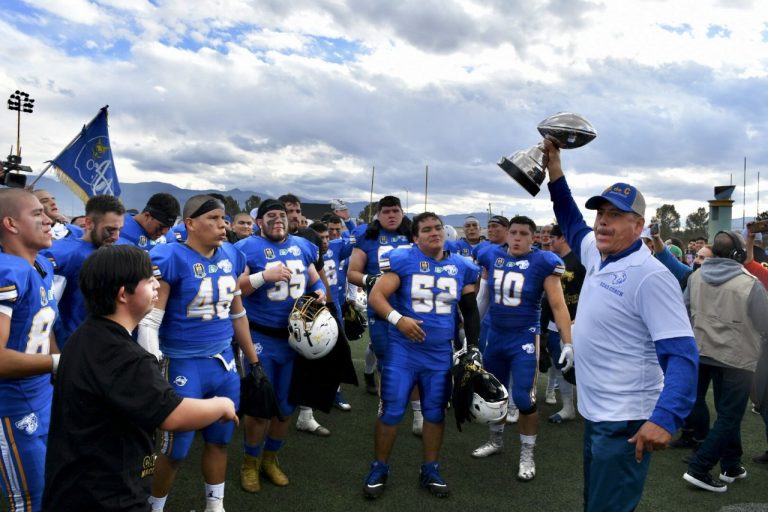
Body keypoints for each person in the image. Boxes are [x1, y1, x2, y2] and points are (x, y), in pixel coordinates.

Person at [543, 137, 698, 512]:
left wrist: (665, 417)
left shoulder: (650, 275)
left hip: (626, 420)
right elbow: (570, 218)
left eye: (615, 215)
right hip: (597, 412)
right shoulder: (598, 254)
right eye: (601, 214)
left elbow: (683, 355)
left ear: (638, 225)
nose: (603, 222)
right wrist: (555, 170)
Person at [41, 245, 238, 511]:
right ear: (124, 294)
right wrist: (222, 405)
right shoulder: (125, 356)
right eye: (148, 280)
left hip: (77, 484)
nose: (157, 285)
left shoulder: (87, 335)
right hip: (107, 494)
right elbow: (173, 415)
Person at [146, 195, 261, 512]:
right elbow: (151, 319)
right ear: (190, 223)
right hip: (181, 361)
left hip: (223, 363)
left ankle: (215, 506)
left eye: (223, 219)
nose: (222, 225)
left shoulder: (232, 255)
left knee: (220, 439)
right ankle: (154, 506)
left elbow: (237, 313)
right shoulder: (170, 256)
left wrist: (253, 360)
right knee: (175, 450)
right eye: (212, 218)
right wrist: (150, 360)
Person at [363, 212, 481, 499]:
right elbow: (376, 296)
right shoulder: (403, 260)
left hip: (440, 353)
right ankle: (380, 467)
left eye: (437, 227)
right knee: (391, 411)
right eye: (426, 229)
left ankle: (430, 468)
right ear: (415, 238)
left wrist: (473, 345)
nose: (434, 233)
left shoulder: (462, 266)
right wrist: (398, 319)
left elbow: (469, 309)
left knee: (434, 413)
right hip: (403, 352)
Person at [470, 216, 574, 482]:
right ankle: (496, 441)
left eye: (523, 233)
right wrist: (471, 335)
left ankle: (527, 454)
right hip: (496, 335)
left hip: (524, 339)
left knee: (525, 399)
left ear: (534, 237)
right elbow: (484, 298)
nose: (517, 237)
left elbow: (558, 305)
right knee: (495, 394)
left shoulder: (544, 262)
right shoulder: (491, 255)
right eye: (513, 232)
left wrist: (568, 341)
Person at [235, 199, 326, 492]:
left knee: (286, 406)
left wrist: (321, 295)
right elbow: (235, 291)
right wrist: (264, 276)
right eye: (270, 216)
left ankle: (270, 459)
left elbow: (316, 282)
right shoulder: (246, 248)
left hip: (295, 340)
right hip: (261, 338)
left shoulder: (302, 245)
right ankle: (250, 462)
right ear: (259, 221)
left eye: (282, 215)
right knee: (260, 406)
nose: (278, 220)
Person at [682, 230, 768, 493]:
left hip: (703, 353)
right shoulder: (749, 283)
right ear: (737, 254)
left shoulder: (695, 277)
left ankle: (731, 464)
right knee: (730, 415)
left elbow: (684, 311)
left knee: (725, 413)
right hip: (737, 358)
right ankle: (700, 466)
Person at [0, 188, 59, 512]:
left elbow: (44, 330)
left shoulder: (42, 266)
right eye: (37, 214)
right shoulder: (6, 271)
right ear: (10, 224)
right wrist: (59, 363)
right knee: (29, 501)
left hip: (41, 395)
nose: (49, 220)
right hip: (10, 406)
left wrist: (56, 371)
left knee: (51, 488)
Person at [347, 197, 414, 414]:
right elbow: (353, 273)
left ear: (402, 212)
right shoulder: (368, 236)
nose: (391, 215)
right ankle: (388, 402)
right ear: (378, 214)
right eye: (386, 211)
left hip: (413, 308)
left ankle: (417, 409)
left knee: (416, 358)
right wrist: (371, 280)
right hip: (381, 309)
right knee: (385, 358)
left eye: (396, 210)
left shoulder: (414, 233)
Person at [42, 194, 125, 348]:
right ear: (88, 223)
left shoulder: (113, 253)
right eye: (110, 230)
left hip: (97, 343)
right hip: (67, 345)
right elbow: (46, 308)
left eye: (120, 230)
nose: (116, 237)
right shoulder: (63, 255)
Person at [545, 224, 584, 423]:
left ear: (563, 238)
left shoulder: (580, 260)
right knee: (560, 365)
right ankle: (568, 407)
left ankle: (589, 406)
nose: (548, 240)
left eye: (552, 237)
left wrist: (584, 316)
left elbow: (591, 290)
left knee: (584, 367)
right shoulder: (553, 261)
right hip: (555, 324)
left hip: (580, 324)